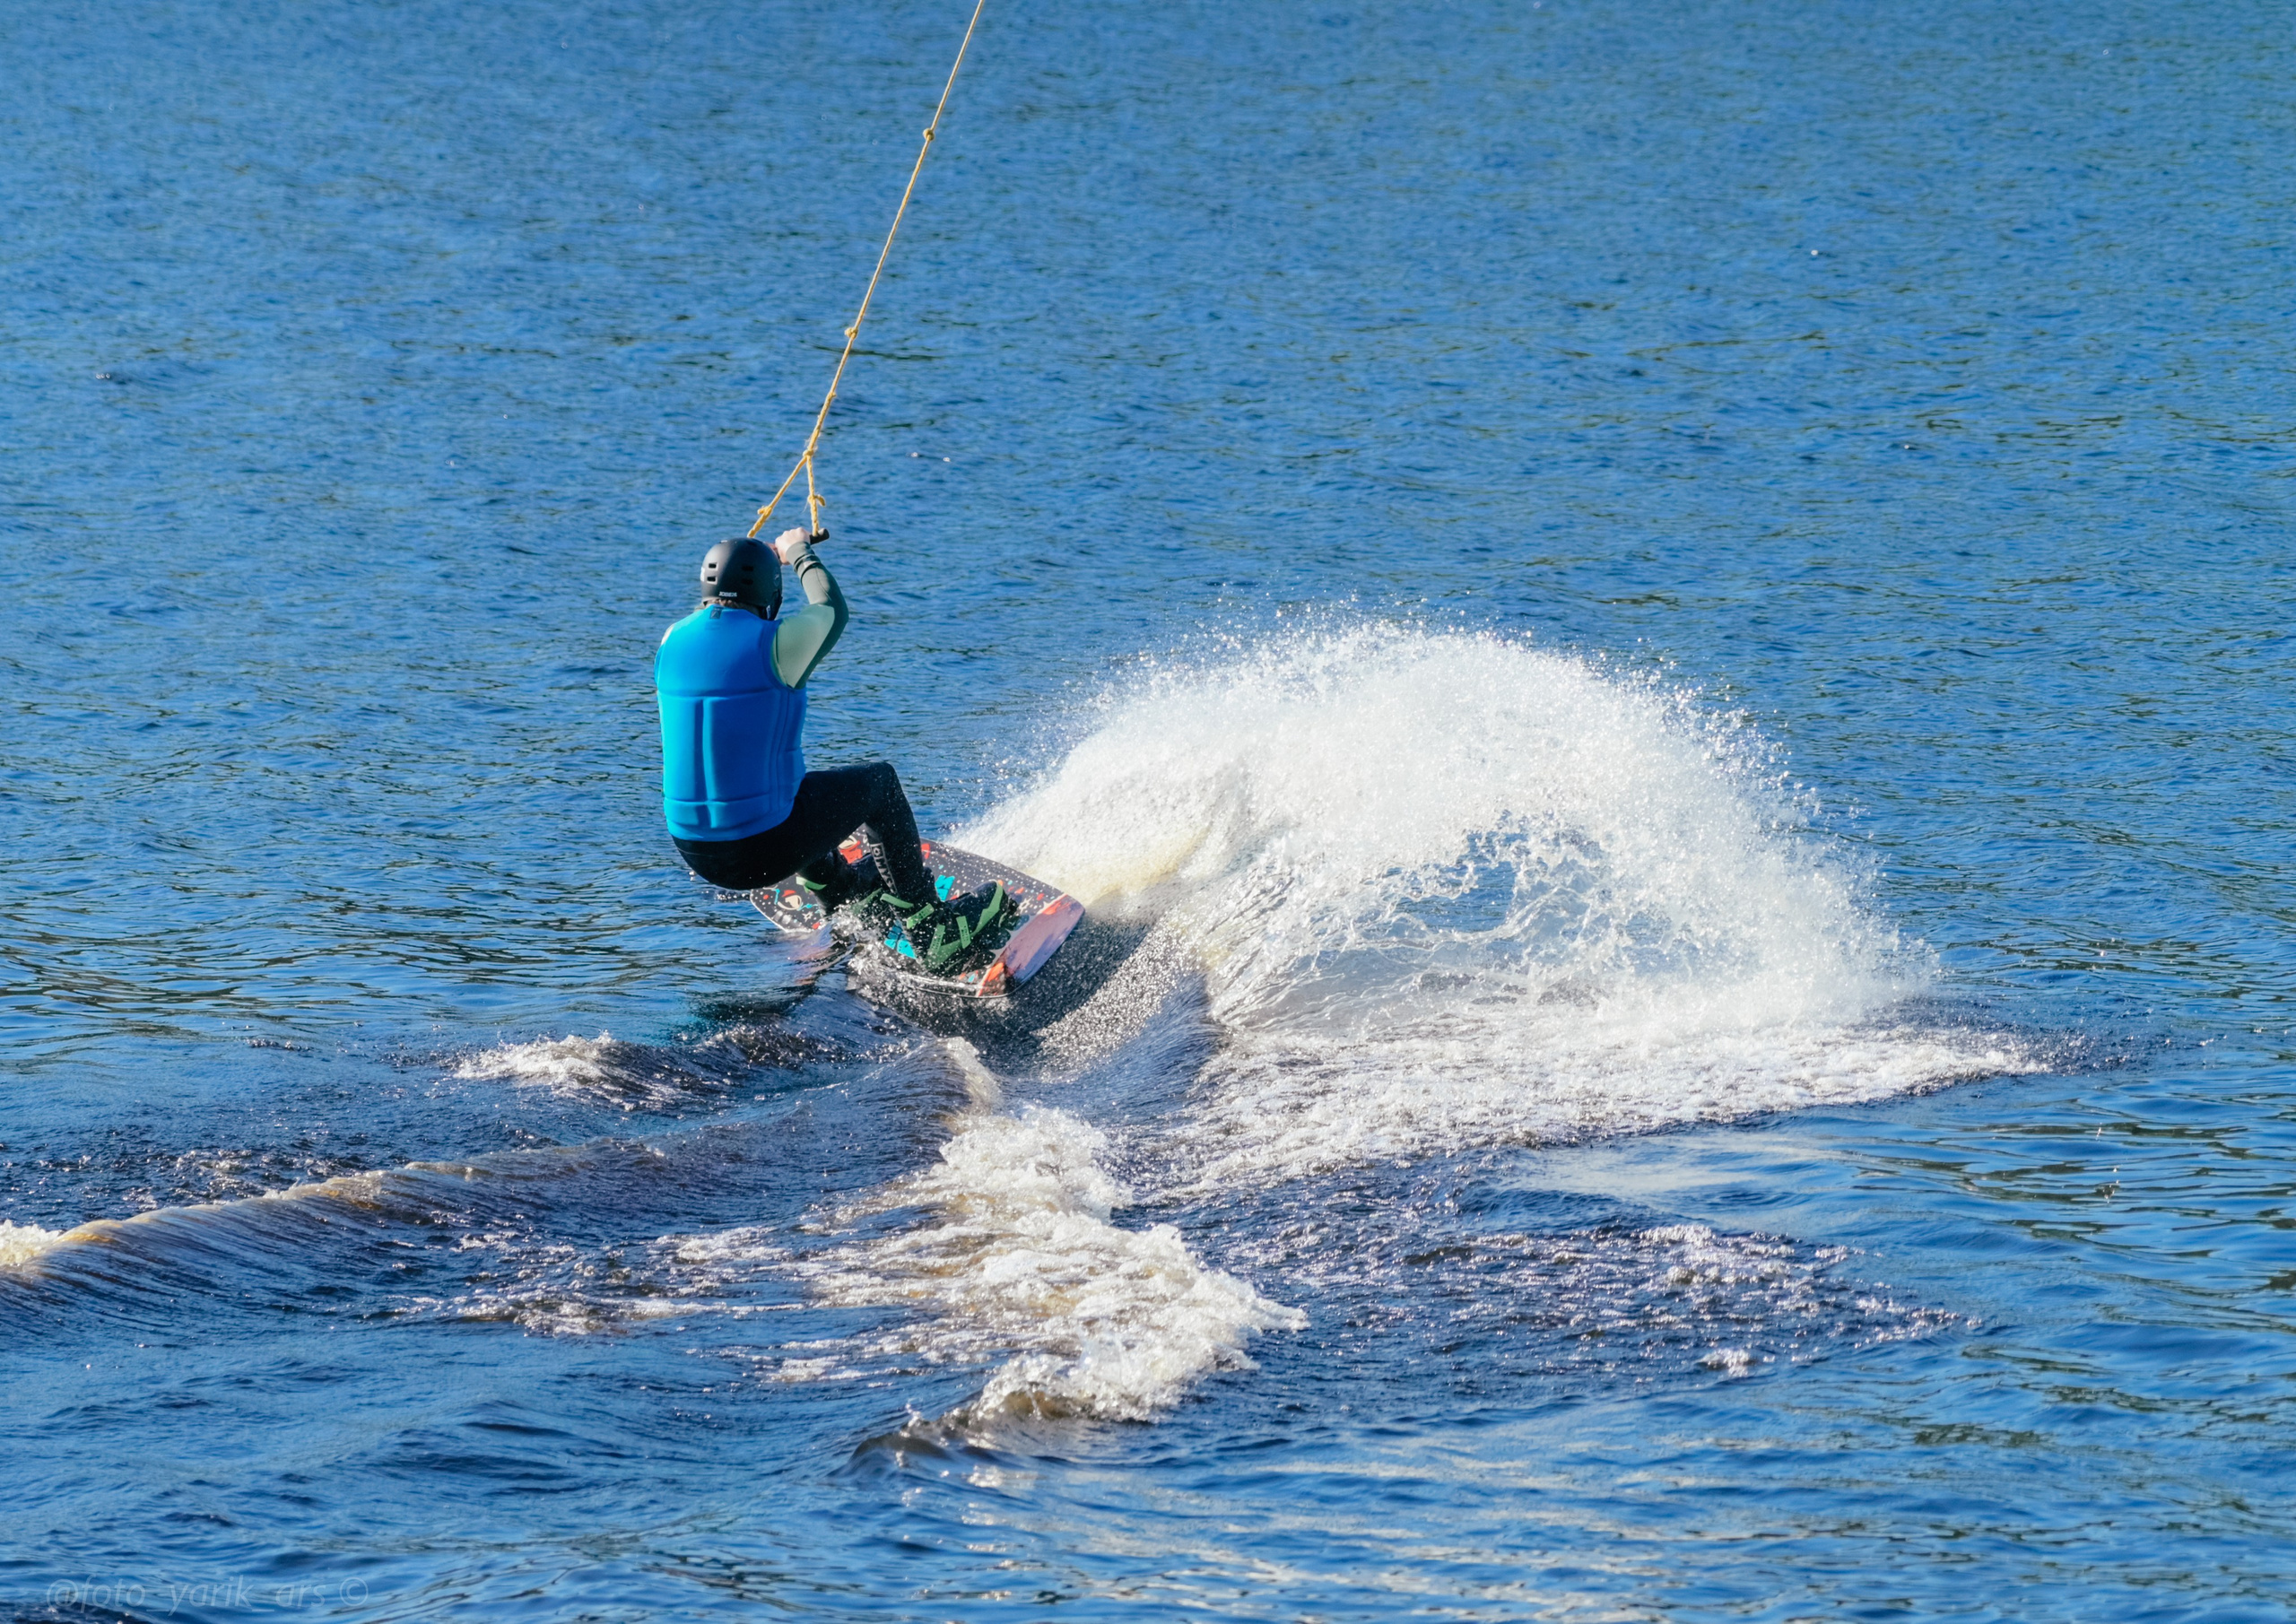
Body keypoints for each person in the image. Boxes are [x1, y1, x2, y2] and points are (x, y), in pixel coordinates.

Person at [655, 527, 1008, 971]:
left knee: (795, 787)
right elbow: (831, 612)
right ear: (771, 594)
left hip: (695, 849)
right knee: (880, 785)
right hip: (762, 849)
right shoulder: (776, 644)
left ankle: (840, 891)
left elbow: (720, 626)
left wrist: (753, 565)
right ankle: (932, 932)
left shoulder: (671, 641)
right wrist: (797, 551)